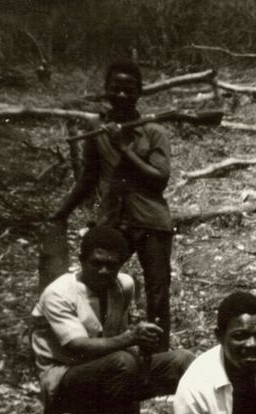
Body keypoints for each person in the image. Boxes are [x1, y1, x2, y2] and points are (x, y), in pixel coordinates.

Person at [30, 226, 193, 414]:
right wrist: (129, 339)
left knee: (182, 361)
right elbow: (78, 346)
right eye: (96, 263)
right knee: (122, 362)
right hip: (63, 381)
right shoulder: (59, 294)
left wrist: (143, 341)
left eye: (112, 264)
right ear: (81, 261)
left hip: (107, 371)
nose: (104, 271)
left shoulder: (124, 285)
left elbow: (116, 335)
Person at [50, 60, 174, 350]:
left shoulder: (154, 131)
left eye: (128, 90)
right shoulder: (96, 128)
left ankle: (157, 357)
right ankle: (100, 348)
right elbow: (88, 177)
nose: (121, 96)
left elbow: (159, 180)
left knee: (157, 292)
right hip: (112, 220)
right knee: (97, 282)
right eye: (115, 89)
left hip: (151, 221)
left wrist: (123, 147)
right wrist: (60, 212)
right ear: (105, 91)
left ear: (139, 92)